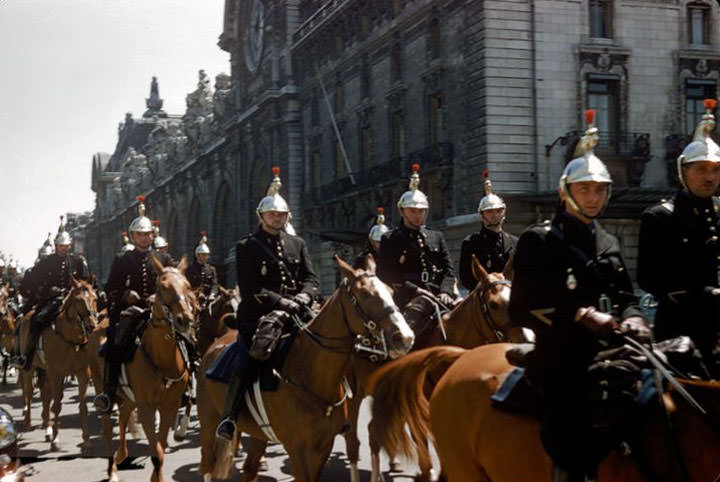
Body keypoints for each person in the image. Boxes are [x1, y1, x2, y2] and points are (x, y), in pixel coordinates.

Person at [508, 109, 650, 482]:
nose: (593, 197)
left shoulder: (608, 240)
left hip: (616, 349)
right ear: (565, 192)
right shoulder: (539, 240)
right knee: (574, 433)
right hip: (563, 356)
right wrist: (579, 315)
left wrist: (634, 316)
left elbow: (626, 296)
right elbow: (521, 309)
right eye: (584, 189)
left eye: (599, 189)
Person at [215, 166, 319, 442]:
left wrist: (305, 296)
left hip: (299, 311)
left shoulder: (297, 243)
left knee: (329, 343)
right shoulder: (247, 246)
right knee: (251, 355)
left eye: (281, 215)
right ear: (262, 216)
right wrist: (281, 301)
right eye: (273, 214)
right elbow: (250, 288)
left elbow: (311, 278)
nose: (277, 218)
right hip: (260, 315)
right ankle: (229, 416)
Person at [638, 98, 720, 370]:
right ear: (684, 171)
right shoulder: (661, 216)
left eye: (715, 170)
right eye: (701, 169)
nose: (709, 177)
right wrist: (708, 294)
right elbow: (649, 278)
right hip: (681, 331)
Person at [93, 196, 174, 413]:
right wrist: (126, 294)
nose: (145, 238)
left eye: (148, 234)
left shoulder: (163, 259)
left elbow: (174, 282)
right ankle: (109, 392)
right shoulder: (123, 260)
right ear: (133, 236)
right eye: (140, 234)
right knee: (116, 342)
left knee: (183, 338)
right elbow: (110, 289)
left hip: (158, 311)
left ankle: (185, 387)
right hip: (131, 312)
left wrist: (160, 297)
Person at [377, 163, 458, 340]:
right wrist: (416, 291)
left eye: (422, 211)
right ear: (402, 212)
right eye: (413, 211)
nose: (418, 215)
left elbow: (449, 271)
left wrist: (445, 291)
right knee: (408, 330)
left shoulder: (436, 236)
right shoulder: (391, 238)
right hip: (407, 297)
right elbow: (386, 275)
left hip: (439, 294)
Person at [17, 217, 90, 370]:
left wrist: (77, 288)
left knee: (88, 318)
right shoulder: (47, 262)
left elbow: (84, 280)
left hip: (72, 298)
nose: (64, 248)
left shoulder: (76, 260)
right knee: (37, 320)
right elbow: (35, 281)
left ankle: (89, 356)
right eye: (61, 246)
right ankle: (28, 356)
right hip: (52, 300)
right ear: (56, 246)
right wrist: (49, 291)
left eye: (66, 245)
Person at [459, 170, 517, 291]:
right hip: (482, 297)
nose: (494, 215)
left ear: (504, 212)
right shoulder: (471, 242)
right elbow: (466, 278)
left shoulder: (515, 242)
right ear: (482, 215)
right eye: (489, 212)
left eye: (498, 211)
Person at [186, 232, 218, 303]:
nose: (206, 257)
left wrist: (212, 294)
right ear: (197, 255)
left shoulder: (211, 269)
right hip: (193, 299)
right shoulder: (190, 269)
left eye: (207, 255)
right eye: (203, 255)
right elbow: (187, 286)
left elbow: (214, 284)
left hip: (209, 298)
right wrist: (197, 294)